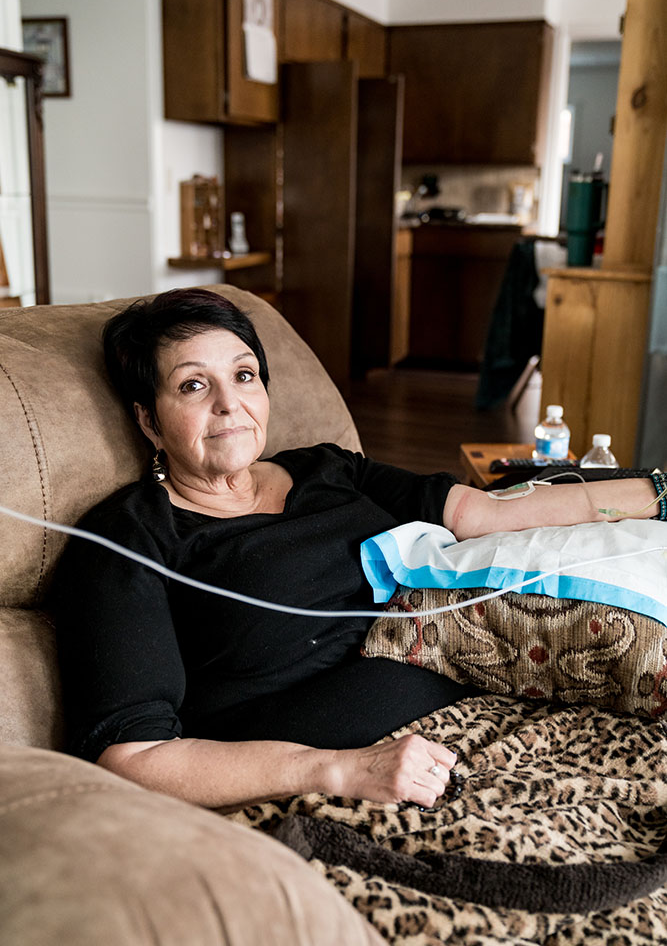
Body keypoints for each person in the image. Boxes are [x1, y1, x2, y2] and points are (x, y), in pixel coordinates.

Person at [55, 288, 664, 813]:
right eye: (193, 385)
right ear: (149, 422)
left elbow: (489, 515)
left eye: (244, 375)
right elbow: (134, 758)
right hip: (339, 782)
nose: (229, 403)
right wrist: (339, 770)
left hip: (490, 707)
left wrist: (657, 492)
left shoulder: (327, 468)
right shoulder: (126, 540)